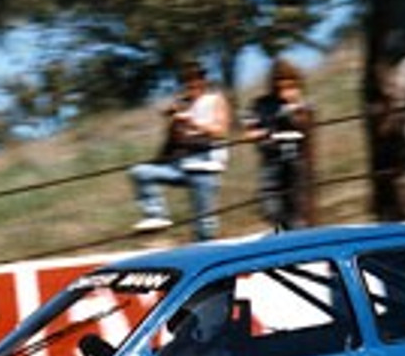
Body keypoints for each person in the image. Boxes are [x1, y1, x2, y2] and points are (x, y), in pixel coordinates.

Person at [129, 61, 231, 240]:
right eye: (187, 81)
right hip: (179, 166)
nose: (191, 84)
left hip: (204, 167)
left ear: (203, 80)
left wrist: (193, 122)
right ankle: (156, 215)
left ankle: (208, 250)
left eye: (196, 79)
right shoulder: (182, 103)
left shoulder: (215, 99)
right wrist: (172, 121)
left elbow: (220, 131)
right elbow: (173, 139)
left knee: (204, 226)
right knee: (140, 172)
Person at [243, 58, 316, 232]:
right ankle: (281, 233)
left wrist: (295, 107)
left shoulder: (302, 103)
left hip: (295, 162)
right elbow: (249, 129)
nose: (284, 90)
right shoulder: (262, 104)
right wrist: (264, 133)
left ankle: (296, 239)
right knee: (270, 207)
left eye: (289, 84)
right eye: (280, 84)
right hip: (271, 160)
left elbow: (306, 125)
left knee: (295, 209)